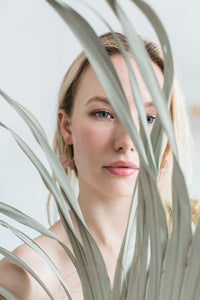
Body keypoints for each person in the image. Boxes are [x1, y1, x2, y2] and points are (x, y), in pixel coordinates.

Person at [0, 32, 197, 300]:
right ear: (66, 127)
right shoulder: (25, 276)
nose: (127, 142)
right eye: (103, 113)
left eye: (150, 118)